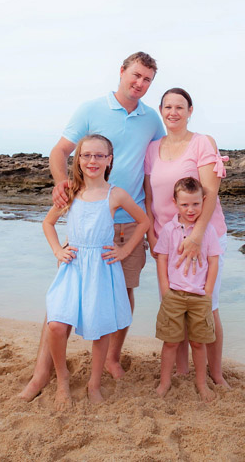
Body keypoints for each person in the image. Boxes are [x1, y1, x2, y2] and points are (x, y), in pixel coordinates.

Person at [19, 52, 164, 401]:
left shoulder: (152, 119)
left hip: (129, 222)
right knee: (62, 305)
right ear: (122, 72)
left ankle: (112, 358)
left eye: (147, 79)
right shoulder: (90, 109)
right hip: (86, 225)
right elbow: (60, 152)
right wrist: (62, 185)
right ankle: (43, 373)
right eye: (136, 75)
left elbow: (160, 161)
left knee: (122, 295)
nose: (140, 84)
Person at [43, 134, 150, 407]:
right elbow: (48, 223)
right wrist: (57, 250)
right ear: (78, 159)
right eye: (86, 155)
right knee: (56, 325)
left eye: (99, 156)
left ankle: (94, 383)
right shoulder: (70, 192)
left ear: (109, 160)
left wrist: (124, 251)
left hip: (102, 268)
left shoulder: (116, 194)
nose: (93, 161)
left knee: (100, 328)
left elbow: (143, 221)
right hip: (74, 265)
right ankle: (62, 377)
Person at [144, 87, 230, 387]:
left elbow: (210, 192)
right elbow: (148, 194)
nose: (173, 112)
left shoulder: (202, 142)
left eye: (180, 107)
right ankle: (181, 373)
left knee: (208, 306)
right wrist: (151, 235)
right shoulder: (152, 148)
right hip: (167, 240)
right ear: (161, 110)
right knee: (175, 307)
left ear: (190, 110)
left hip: (204, 237)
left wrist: (196, 236)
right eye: (167, 107)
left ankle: (216, 374)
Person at [154, 177, 222, 402]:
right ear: (175, 203)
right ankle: (165, 383)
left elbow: (214, 262)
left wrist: (208, 292)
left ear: (203, 201)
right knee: (171, 341)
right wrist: (165, 290)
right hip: (174, 294)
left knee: (198, 343)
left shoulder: (208, 231)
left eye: (195, 204)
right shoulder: (168, 230)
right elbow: (161, 259)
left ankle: (202, 384)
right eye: (184, 204)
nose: (190, 209)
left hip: (199, 296)